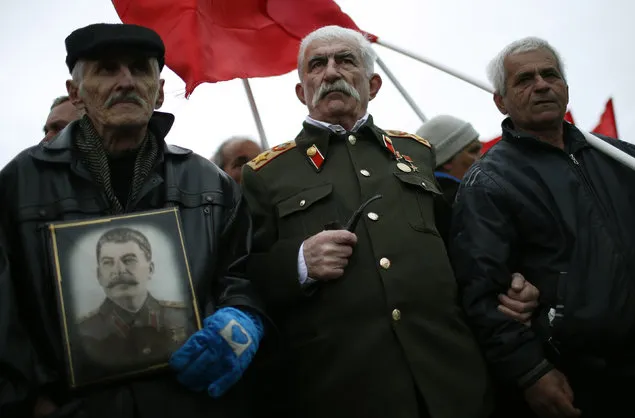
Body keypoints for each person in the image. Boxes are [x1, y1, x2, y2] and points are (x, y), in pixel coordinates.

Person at [241, 25, 539, 418]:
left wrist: (510, 280)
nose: (330, 72)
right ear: (302, 91)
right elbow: (244, 277)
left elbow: (463, 248)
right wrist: (298, 262)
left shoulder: (417, 153)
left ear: (374, 84)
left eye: (345, 60)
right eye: (317, 64)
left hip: (452, 381)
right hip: (347, 392)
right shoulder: (266, 175)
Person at [0, 23, 265, 418]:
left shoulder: (209, 182)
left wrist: (241, 316)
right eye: (107, 69)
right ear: (76, 93)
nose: (126, 82)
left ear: (158, 91)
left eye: (140, 69)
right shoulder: (20, 183)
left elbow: (244, 272)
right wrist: (28, 401)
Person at [449, 36, 635, 418]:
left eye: (550, 74)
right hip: (583, 382)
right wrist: (530, 371)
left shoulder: (622, 158)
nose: (541, 84)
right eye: (524, 79)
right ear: (500, 101)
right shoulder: (488, 183)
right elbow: (482, 293)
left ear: (565, 89)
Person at [77, 227, 191, 375]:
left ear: (150, 269)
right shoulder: (83, 332)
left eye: (129, 260)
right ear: (99, 275)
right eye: (108, 262)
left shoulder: (183, 316)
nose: (119, 271)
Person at [416, 115, 482, 204]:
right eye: (473, 151)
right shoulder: (473, 200)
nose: (482, 157)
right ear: (447, 161)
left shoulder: (420, 204)